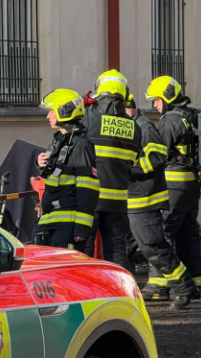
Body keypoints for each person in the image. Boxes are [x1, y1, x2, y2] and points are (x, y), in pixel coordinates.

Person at [124, 94, 197, 309]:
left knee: (154, 247)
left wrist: (130, 169)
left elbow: (157, 157)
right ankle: (122, 293)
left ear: (129, 108)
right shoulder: (129, 127)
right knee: (123, 247)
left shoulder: (144, 127)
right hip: (129, 199)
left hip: (144, 200)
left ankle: (184, 286)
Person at [142, 76, 201, 296]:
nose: (155, 105)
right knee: (188, 231)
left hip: (174, 184)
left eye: (157, 100)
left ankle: (159, 284)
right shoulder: (191, 115)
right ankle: (194, 280)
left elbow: (160, 154)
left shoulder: (169, 120)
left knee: (163, 231)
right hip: (192, 183)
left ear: (167, 98)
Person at [81, 69, 142, 271]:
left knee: (85, 253)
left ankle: (87, 289)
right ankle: (121, 289)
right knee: (117, 253)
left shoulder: (88, 119)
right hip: (118, 200)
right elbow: (134, 163)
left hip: (90, 198)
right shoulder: (134, 127)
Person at [33, 89, 99, 252]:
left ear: (64, 111)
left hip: (67, 226)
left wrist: (81, 229)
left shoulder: (81, 145)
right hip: (50, 222)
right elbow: (56, 177)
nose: (48, 116)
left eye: (52, 110)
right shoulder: (59, 142)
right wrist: (41, 164)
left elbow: (88, 189)